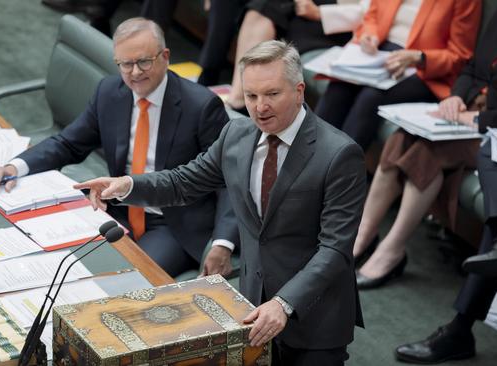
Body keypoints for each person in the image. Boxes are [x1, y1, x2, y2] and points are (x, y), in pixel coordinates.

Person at [76, 40, 366, 366]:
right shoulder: (236, 136)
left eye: (272, 94)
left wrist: (284, 303)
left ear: (299, 91)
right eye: (252, 96)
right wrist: (127, 185)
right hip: (251, 303)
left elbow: (335, 248)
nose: (260, 107)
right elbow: (184, 181)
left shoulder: (339, 154)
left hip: (315, 317)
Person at [0, 18, 238, 278]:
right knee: (62, 266)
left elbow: (229, 180)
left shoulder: (202, 107)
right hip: (115, 207)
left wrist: (222, 243)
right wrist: (15, 166)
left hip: (170, 222)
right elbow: (69, 143)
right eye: (126, 64)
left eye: (144, 61)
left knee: (129, 279)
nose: (135, 72)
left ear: (165, 57)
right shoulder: (109, 92)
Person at [394, 5, 497, 363]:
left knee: (492, 158)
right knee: (492, 153)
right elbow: (474, 67)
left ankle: (460, 331)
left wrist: (480, 118)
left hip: (493, 125)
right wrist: (457, 95)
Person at [315, 0, 481, 151]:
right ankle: (305, 166)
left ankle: (339, 176)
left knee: (371, 97)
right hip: (379, 54)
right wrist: (369, 35)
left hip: (424, 69)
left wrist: (419, 57)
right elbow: (373, 15)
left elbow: (460, 56)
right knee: (339, 86)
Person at [224, 0, 360, 111]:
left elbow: (374, 12)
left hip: (341, 23)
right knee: (263, 7)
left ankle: (239, 98)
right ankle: (240, 96)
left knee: (265, 8)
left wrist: (320, 13)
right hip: (314, 12)